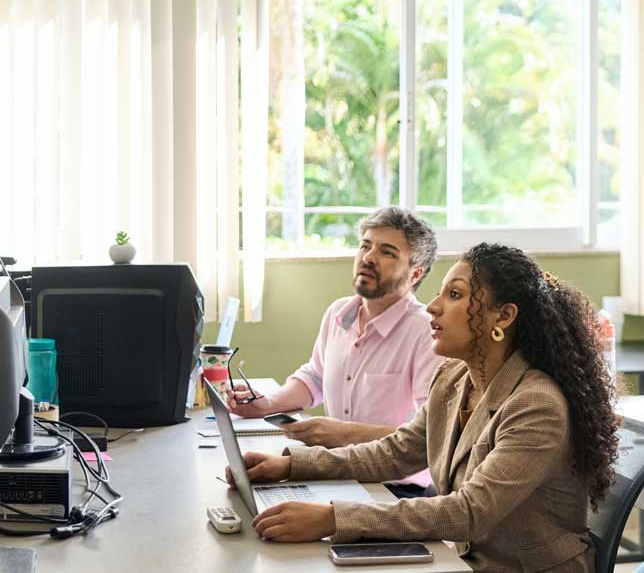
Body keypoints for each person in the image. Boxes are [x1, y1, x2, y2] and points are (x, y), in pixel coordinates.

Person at [230, 243, 620, 572]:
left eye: (454, 295)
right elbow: (397, 452)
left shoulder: (536, 404)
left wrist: (333, 518)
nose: (432, 307)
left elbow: (469, 512)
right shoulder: (454, 378)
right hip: (464, 561)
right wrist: (293, 465)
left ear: (503, 316)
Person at [225, 207, 444, 496]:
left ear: (415, 273)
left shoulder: (427, 333)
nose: (368, 257)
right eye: (365, 246)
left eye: (387, 252)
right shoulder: (339, 313)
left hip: (394, 486)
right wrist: (268, 403)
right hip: (339, 472)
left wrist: (343, 434)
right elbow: (315, 377)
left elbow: (432, 435)